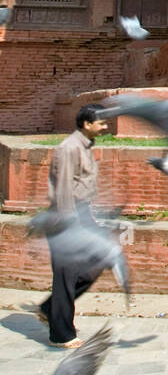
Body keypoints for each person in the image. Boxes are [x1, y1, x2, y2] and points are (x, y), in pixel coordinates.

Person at [36, 104, 109, 348]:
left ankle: (51, 307)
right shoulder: (69, 149)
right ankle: (61, 334)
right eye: (102, 123)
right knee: (66, 275)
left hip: (83, 212)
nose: (106, 127)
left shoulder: (85, 146)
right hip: (64, 216)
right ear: (87, 124)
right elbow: (63, 190)